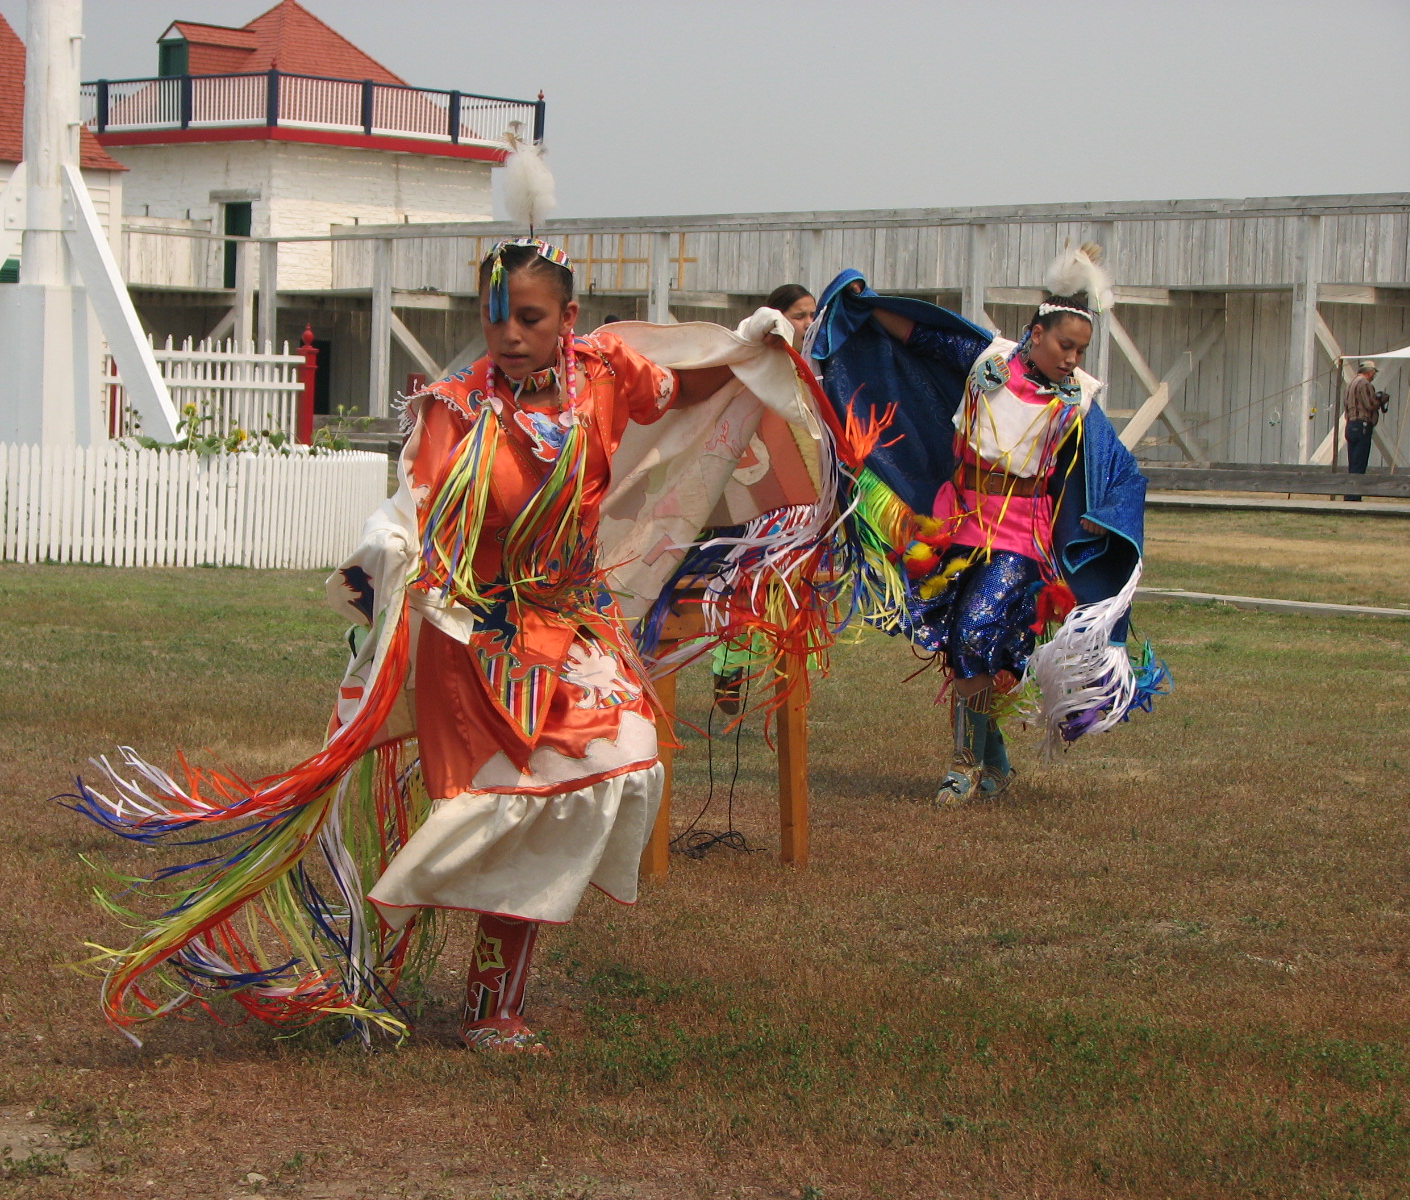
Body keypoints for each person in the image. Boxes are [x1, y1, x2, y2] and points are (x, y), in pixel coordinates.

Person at [68, 233, 842, 1055]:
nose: (508, 333)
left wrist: (752, 350)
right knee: (518, 799)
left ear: (567, 319)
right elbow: (417, 500)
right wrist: (386, 548)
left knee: (621, 754)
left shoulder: (607, 375)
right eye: (494, 316)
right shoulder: (456, 406)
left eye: (529, 318)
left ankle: (460, 956)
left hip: (573, 623)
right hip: (475, 634)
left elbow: (683, 384)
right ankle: (482, 999)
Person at [808, 244, 1163, 805]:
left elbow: (1122, 472)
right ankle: (993, 762)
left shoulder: (1079, 401)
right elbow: (917, 337)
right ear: (1036, 332)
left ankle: (965, 766)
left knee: (974, 632)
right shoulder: (986, 360)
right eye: (1065, 346)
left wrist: (1103, 516)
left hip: (1021, 538)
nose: (1073, 358)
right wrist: (864, 307)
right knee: (963, 644)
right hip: (958, 523)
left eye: (1081, 349)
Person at [712, 282, 818, 714]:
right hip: (753, 499)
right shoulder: (753, 355)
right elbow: (753, 328)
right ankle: (729, 665)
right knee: (742, 576)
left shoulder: (812, 368)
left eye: (813, 315)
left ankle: (748, 667)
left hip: (803, 503)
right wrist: (770, 327)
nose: (808, 323)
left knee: (769, 579)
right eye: (799, 314)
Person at [1342, 360, 1386, 501]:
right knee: (1360, 462)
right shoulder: (1365, 384)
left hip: (1351, 425)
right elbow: (1370, 404)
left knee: (1353, 461)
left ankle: (1349, 494)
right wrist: (1382, 400)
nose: (1373, 376)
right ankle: (1354, 497)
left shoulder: (1350, 384)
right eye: (1373, 373)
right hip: (1362, 425)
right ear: (1370, 372)